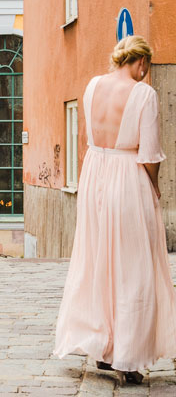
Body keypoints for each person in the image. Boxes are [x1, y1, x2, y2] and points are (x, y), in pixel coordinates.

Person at [53, 36, 176, 386]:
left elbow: (88, 137)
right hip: (128, 176)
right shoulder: (143, 94)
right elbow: (149, 153)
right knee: (133, 266)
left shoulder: (92, 87)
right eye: (146, 67)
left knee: (97, 261)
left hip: (95, 174)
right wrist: (154, 186)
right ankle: (129, 356)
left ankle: (101, 346)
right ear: (141, 63)